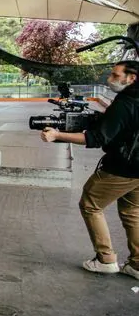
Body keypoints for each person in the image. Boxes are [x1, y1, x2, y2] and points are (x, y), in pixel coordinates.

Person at [41, 60, 139, 280]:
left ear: (131, 78)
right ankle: (137, 265)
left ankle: (106, 259)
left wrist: (57, 135)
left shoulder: (125, 103)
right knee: (132, 212)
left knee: (90, 204)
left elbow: (96, 138)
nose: (109, 79)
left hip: (122, 168)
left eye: (115, 75)